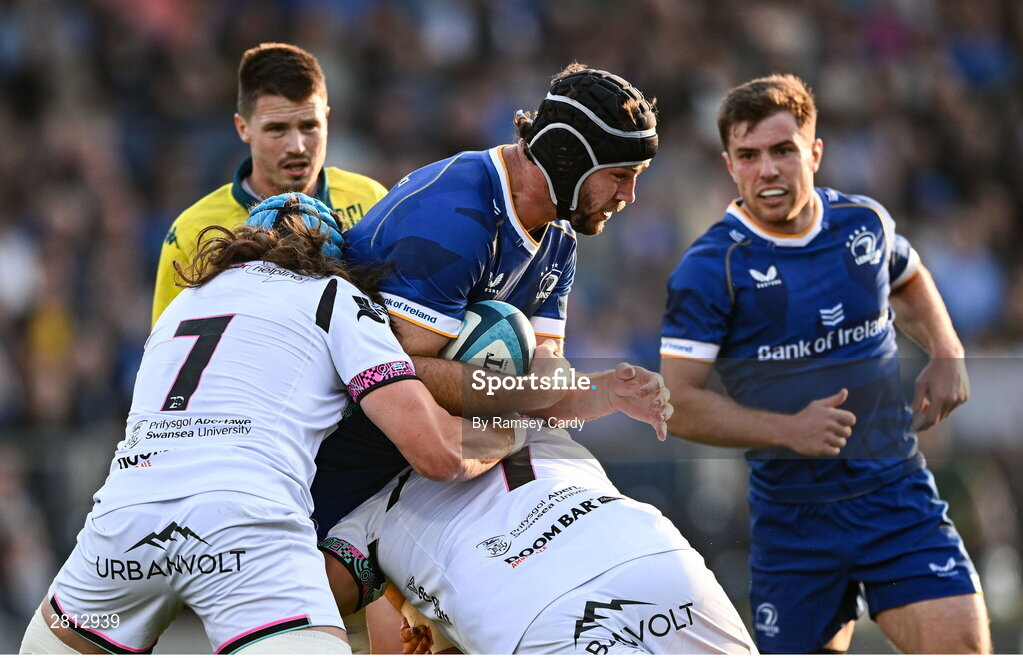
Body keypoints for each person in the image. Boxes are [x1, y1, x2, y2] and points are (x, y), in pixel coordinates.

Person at [20, 194, 522, 655]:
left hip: (122, 529)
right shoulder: (334, 296)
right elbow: (435, 452)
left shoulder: (182, 304)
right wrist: (508, 431)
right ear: (330, 258)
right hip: (242, 527)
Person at [659, 74, 990, 653]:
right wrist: (787, 430)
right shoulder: (711, 269)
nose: (767, 170)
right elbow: (676, 403)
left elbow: (908, 277)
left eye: (783, 150)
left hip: (896, 495)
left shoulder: (862, 224)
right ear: (729, 165)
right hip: (794, 522)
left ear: (814, 152)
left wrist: (945, 349)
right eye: (749, 155)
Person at [311, 62, 671, 536]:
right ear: (568, 159)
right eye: (621, 175)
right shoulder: (455, 217)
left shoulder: (560, 238)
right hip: (326, 478)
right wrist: (527, 392)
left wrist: (604, 392)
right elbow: (394, 371)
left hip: (417, 480)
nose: (629, 195)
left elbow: (538, 386)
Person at [320, 425, 757, 655]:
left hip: (530, 610)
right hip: (649, 553)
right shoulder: (533, 422)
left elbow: (306, 608)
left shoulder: (362, 520)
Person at [151, 42, 388, 326]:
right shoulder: (192, 231)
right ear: (243, 128)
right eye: (277, 129)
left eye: (309, 126)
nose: (297, 146)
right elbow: (169, 352)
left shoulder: (371, 199)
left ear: (326, 119)